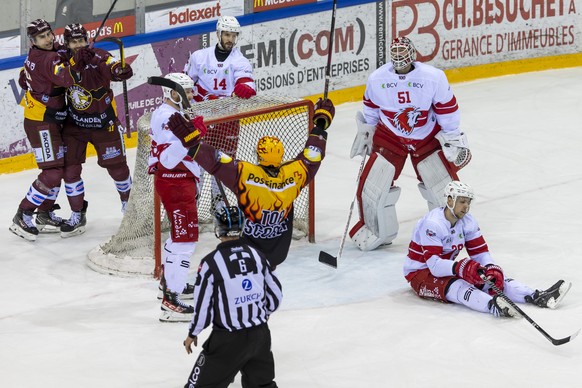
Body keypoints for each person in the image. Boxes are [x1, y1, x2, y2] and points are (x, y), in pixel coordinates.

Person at [167, 98, 335, 268]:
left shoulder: (245, 174)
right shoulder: (294, 174)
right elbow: (312, 157)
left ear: (258, 156)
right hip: (278, 254)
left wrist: (193, 143)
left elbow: (216, 162)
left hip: (249, 254)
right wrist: (320, 124)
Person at [349, 36, 472, 251]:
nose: (399, 58)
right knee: (373, 187)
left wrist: (452, 136)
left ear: (412, 54)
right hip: (390, 136)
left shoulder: (433, 77)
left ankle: (450, 230)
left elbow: (446, 108)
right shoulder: (377, 78)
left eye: (403, 53)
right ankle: (377, 230)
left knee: (442, 189)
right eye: (395, 54)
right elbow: (371, 106)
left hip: (426, 137)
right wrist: (367, 129)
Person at [403, 180, 571, 317]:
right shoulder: (432, 224)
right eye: (461, 201)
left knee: (491, 278)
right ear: (449, 200)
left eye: (468, 202)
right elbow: (434, 266)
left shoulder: (467, 221)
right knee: (459, 284)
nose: (466, 207)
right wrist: (459, 268)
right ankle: (494, 306)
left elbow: (480, 253)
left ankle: (538, 296)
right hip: (420, 274)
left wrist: (490, 268)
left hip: (444, 270)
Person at [183, 205, 282, 388]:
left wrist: (193, 333)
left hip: (227, 340)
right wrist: (260, 315)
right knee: (262, 385)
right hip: (260, 335)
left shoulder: (210, 263)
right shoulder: (258, 255)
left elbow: (203, 306)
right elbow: (276, 294)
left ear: (218, 229)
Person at [58, 23, 133, 237]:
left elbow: (110, 65)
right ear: (67, 43)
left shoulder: (98, 55)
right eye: (74, 41)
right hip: (74, 126)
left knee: (118, 168)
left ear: (87, 39)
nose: (79, 44)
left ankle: (130, 207)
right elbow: (59, 74)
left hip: (103, 123)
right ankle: (76, 213)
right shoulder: (61, 59)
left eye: (82, 40)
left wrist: (119, 70)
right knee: (70, 170)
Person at [9, 19, 82, 241]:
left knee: (57, 167)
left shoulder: (37, 54)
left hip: (46, 119)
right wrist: (80, 58)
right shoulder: (48, 59)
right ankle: (23, 213)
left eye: (49, 33)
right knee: (53, 172)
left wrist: (71, 50)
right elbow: (69, 78)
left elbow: (24, 80)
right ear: (33, 41)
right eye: (42, 37)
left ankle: (45, 213)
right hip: (41, 122)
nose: (49, 39)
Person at [149, 73, 208, 322]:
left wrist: (192, 135)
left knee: (179, 238)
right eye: (186, 91)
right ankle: (170, 301)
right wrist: (191, 138)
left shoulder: (176, 114)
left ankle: (172, 282)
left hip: (182, 182)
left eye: (191, 90)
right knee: (186, 241)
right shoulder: (166, 116)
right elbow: (167, 160)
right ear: (172, 93)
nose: (191, 95)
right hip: (175, 183)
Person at [183, 15, 256, 216]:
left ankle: (218, 203)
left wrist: (244, 87)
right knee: (198, 161)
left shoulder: (239, 61)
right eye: (227, 34)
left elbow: (247, 81)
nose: (230, 39)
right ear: (218, 34)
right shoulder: (199, 56)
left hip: (227, 118)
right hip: (202, 117)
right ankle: (192, 204)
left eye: (233, 35)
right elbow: (186, 83)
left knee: (223, 163)